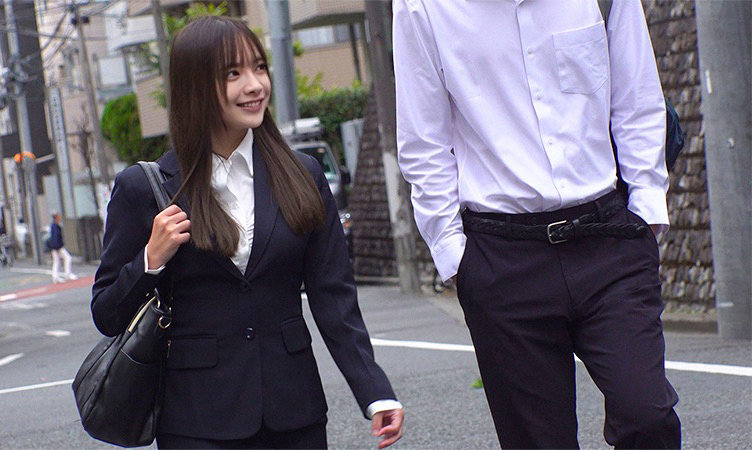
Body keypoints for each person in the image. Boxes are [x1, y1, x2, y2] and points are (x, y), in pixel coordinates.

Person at [91, 16, 403, 449]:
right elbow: (106, 314)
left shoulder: (303, 174)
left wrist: (374, 390)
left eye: (259, 67)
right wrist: (150, 261)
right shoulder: (145, 187)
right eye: (233, 74)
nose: (255, 85)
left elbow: (333, 294)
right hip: (197, 422)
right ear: (195, 85)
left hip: (295, 413)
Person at [393, 1, 680, 449]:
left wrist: (645, 212)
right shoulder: (423, 6)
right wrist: (454, 256)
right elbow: (423, 142)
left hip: (608, 238)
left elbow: (638, 99)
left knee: (649, 417)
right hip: (502, 258)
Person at [48, 212, 77, 283]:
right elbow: (56, 237)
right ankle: (67, 274)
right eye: (59, 216)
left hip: (54, 247)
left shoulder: (54, 225)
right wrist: (58, 247)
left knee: (57, 261)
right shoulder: (55, 226)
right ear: (56, 217)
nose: (60, 217)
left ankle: (56, 277)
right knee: (67, 258)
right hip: (58, 247)